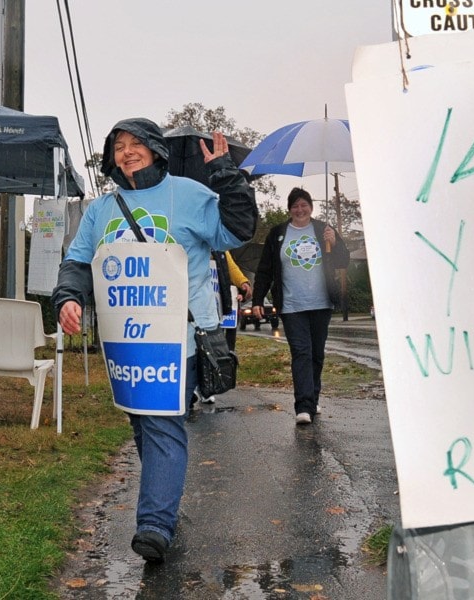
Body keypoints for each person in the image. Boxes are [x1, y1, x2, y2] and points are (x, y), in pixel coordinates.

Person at [51, 118, 256, 563]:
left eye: (135, 143)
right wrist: (68, 296)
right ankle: (163, 502)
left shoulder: (190, 194)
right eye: (118, 146)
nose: (126, 152)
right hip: (124, 343)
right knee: (143, 423)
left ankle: (154, 526)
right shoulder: (101, 210)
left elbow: (238, 229)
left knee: (163, 422)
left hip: (179, 337)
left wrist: (225, 174)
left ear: (155, 149)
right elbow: (79, 261)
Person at [251, 187, 350, 425]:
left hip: (321, 303)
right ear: (289, 209)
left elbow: (343, 261)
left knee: (316, 354)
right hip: (291, 305)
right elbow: (265, 270)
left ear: (311, 207)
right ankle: (303, 406)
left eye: (304, 204)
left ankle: (313, 399)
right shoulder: (278, 234)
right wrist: (257, 300)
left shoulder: (323, 230)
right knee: (301, 353)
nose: (300, 209)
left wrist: (334, 243)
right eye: (295, 205)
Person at [193, 250, 251, 405]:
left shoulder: (217, 246)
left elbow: (230, 266)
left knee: (207, 348)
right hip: (189, 303)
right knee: (191, 347)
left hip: (211, 306)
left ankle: (204, 387)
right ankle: (191, 387)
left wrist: (243, 282)